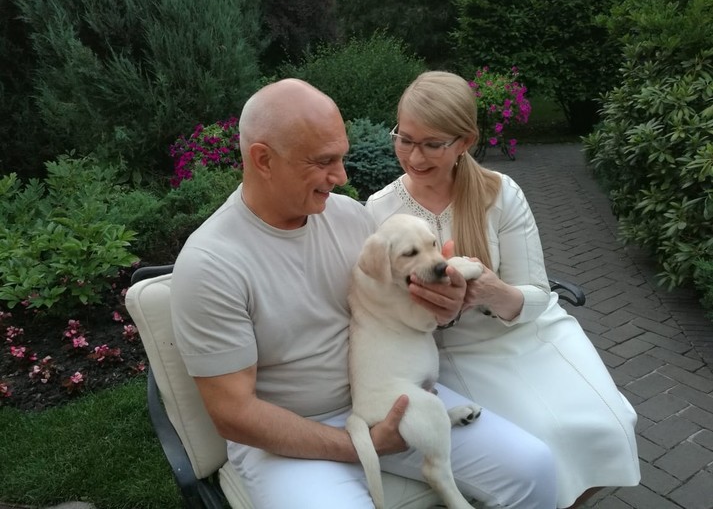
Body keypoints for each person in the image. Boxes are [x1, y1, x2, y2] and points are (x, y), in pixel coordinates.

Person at [170, 77, 559, 508]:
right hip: (287, 441)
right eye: (324, 161)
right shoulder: (211, 263)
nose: (341, 176)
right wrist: (363, 445)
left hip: (387, 398)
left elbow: (403, 308)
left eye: (341, 157)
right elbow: (234, 414)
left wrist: (447, 307)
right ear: (263, 159)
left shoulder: (351, 218)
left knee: (535, 470)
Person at [365, 71, 641, 509]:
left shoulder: (501, 193)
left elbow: (536, 293)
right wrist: (434, 309)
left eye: (432, 144)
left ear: (464, 141)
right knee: (545, 442)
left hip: (532, 335)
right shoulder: (380, 209)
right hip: (458, 353)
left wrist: (490, 291)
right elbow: (379, 302)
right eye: (405, 138)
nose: (414, 156)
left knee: (614, 424)